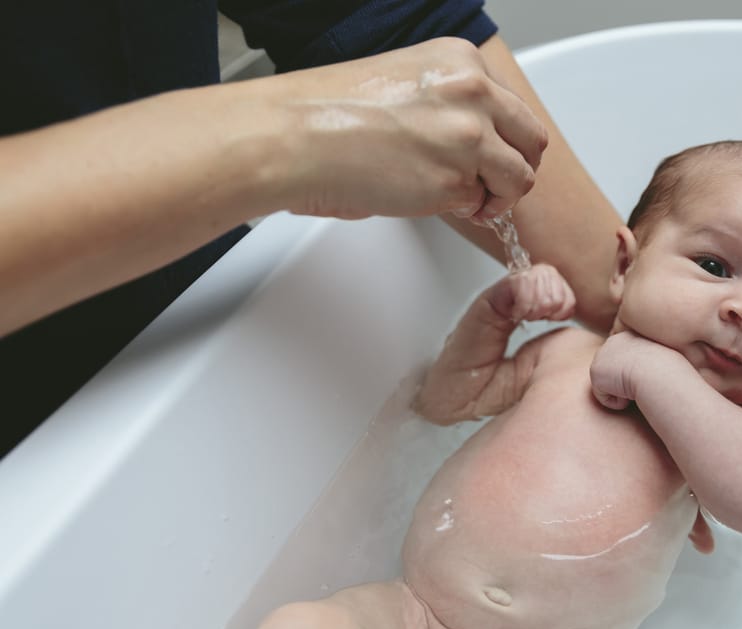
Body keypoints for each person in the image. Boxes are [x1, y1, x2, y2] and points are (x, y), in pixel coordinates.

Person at [256, 140, 742, 629]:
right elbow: (442, 404)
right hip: (416, 610)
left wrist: (654, 371)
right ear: (624, 267)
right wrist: (496, 315)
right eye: (715, 266)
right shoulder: (566, 351)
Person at [0, 1, 630, 457]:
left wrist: (638, 305)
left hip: (194, 317)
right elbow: (440, 407)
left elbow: (373, 19)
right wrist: (294, 139)